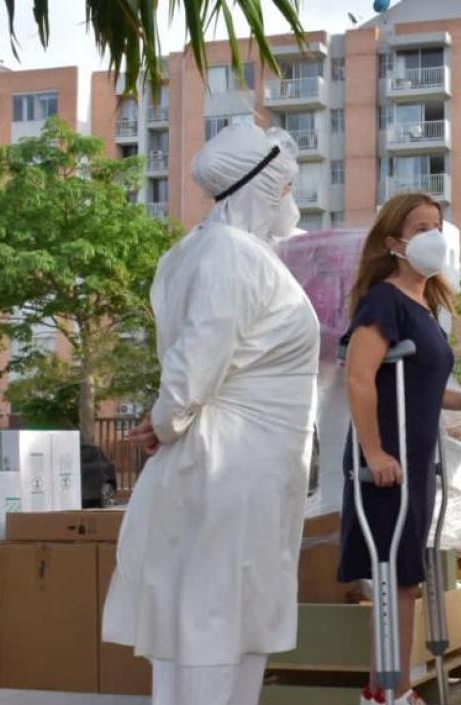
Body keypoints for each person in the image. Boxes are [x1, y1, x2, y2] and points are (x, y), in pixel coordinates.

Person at [102, 123, 320, 705]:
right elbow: (200, 353)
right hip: (233, 465)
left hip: (245, 466)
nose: (290, 202)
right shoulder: (229, 251)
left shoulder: (216, 250)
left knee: (230, 617)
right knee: (214, 617)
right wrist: (168, 418)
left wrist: (169, 417)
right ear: (262, 187)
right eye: (286, 188)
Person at [339, 193, 461, 705]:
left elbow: (422, 384)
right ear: (394, 243)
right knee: (395, 577)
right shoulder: (383, 302)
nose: (433, 234)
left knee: (405, 576)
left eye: (438, 225)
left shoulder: (424, 305)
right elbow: (360, 378)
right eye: (420, 226)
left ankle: (385, 690)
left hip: (413, 460)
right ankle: (389, 692)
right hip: (385, 466)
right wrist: (374, 453)